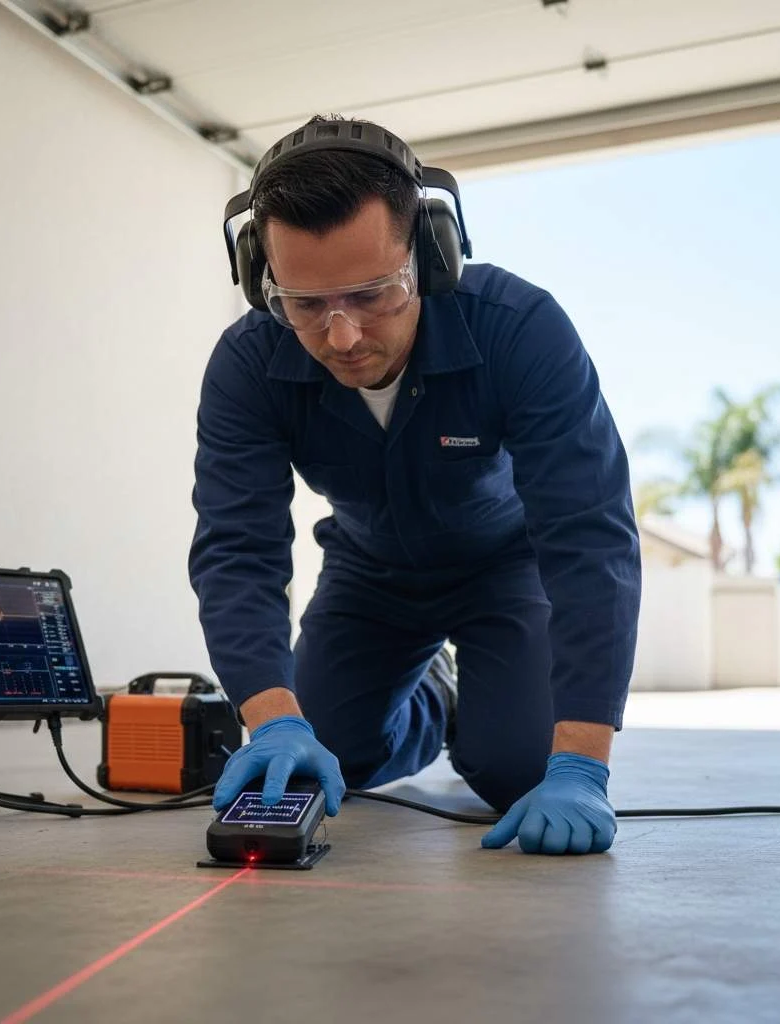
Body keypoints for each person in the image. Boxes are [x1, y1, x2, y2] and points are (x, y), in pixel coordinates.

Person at [189, 115, 641, 856]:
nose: (342, 337)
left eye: (372, 294)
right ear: (261, 278)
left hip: (504, 567)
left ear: (432, 257)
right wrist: (272, 720)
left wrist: (583, 764)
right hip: (371, 572)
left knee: (519, 768)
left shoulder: (519, 330)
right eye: (305, 304)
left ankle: (491, 713)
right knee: (332, 758)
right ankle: (435, 696)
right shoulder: (246, 364)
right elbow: (237, 549)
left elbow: (591, 536)